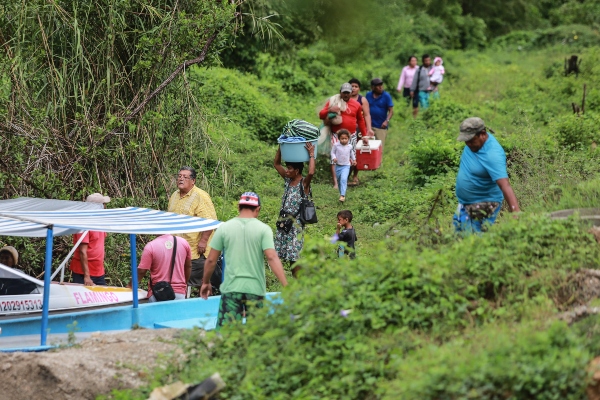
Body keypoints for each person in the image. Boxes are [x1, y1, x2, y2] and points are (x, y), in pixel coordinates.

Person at [200, 192, 288, 329]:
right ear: (258, 209)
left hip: (231, 289)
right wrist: (286, 285)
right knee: (255, 333)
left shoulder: (224, 228)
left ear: (238, 207)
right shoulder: (263, 230)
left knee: (226, 333)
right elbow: (272, 257)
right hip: (255, 290)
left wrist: (205, 282)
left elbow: (211, 260)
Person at [454, 117, 520, 233]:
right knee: (458, 236)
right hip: (465, 203)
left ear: (482, 134)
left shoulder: (492, 154)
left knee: (474, 240)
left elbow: (505, 185)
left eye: (471, 140)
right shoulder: (475, 144)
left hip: (484, 203)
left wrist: (515, 211)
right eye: (466, 140)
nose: (468, 144)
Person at [168, 166, 218, 293]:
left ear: (193, 181)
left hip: (196, 250)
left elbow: (210, 221)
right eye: (179, 176)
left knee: (200, 281)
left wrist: (203, 241)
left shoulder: (201, 196)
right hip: (177, 248)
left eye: (185, 177)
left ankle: (207, 307)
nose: (181, 179)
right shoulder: (174, 195)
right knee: (181, 281)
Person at [273, 143, 316, 278]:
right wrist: (281, 147)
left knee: (294, 257)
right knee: (279, 253)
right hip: (283, 222)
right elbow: (276, 164)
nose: (286, 170)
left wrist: (311, 155)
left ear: (297, 171)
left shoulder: (303, 184)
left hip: (295, 225)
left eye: (289, 168)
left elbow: (311, 172)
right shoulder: (287, 181)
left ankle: (299, 284)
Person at [319, 83, 367, 188]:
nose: (345, 95)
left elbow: (360, 120)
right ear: (340, 92)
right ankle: (336, 183)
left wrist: (364, 135)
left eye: (348, 93)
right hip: (336, 134)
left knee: (350, 157)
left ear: (351, 93)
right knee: (334, 158)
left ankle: (344, 178)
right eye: (344, 92)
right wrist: (330, 110)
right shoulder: (333, 101)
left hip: (352, 135)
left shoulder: (356, 105)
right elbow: (321, 115)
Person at [133, 235, 192, 302]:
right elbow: (188, 266)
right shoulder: (183, 243)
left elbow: (141, 271)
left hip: (158, 293)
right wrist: (184, 284)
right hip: (179, 292)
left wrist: (130, 285)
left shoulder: (151, 246)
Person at [69, 193, 110, 286]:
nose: (105, 207)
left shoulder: (99, 223)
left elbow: (99, 245)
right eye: (103, 205)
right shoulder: (83, 224)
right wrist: (87, 276)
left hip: (98, 270)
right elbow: (82, 251)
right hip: (83, 272)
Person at [348, 78, 375, 187]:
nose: (353, 88)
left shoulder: (362, 100)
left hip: (359, 129)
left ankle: (355, 175)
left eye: (356, 86)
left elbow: (367, 115)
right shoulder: (344, 98)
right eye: (352, 86)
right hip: (347, 129)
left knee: (357, 152)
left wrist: (369, 129)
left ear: (359, 88)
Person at [366, 78, 394, 149]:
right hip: (369, 126)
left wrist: (386, 121)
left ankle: (379, 160)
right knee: (368, 147)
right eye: (378, 86)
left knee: (379, 148)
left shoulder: (386, 96)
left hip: (380, 126)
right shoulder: (368, 95)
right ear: (373, 87)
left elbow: (391, 111)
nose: (380, 87)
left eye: (381, 85)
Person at [330, 129, 356, 202]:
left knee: (344, 179)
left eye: (345, 138)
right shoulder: (336, 145)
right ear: (339, 138)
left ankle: (342, 195)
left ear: (348, 138)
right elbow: (332, 153)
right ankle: (341, 192)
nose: (344, 140)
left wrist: (354, 160)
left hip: (346, 166)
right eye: (342, 138)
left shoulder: (350, 146)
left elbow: (351, 154)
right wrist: (334, 158)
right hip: (338, 166)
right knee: (339, 180)